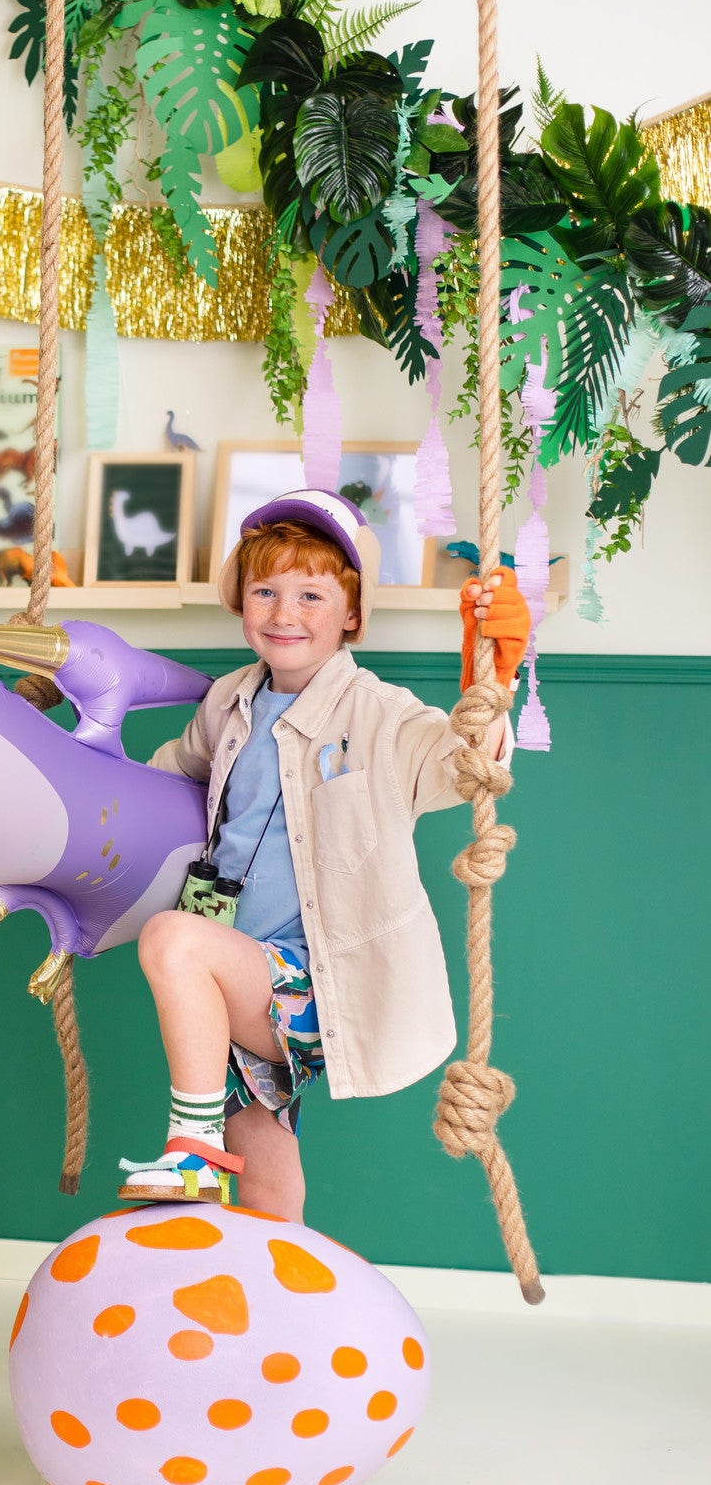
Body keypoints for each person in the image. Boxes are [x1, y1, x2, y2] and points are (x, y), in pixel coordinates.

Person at [116, 487, 531, 1222]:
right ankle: (277, 1285)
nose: (284, 613)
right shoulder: (229, 701)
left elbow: (461, 761)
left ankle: (190, 1150)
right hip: (236, 975)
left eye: (311, 595)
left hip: (315, 987)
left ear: (351, 615)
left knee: (171, 939)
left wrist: (492, 677)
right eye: (265, 592)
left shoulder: (381, 713)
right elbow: (165, 780)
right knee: (266, 1177)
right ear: (240, 601)